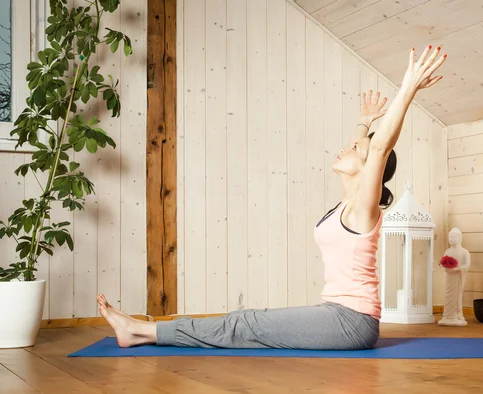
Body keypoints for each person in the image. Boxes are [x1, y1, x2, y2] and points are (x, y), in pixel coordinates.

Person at [97, 45, 446, 349]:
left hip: (352, 322)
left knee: (242, 325)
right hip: (337, 314)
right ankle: (144, 333)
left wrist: (408, 88)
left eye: (356, 148)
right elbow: (370, 146)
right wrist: (363, 121)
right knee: (246, 318)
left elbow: (380, 146)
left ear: (370, 167)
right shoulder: (347, 204)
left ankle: (140, 330)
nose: (345, 146)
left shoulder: (363, 209)